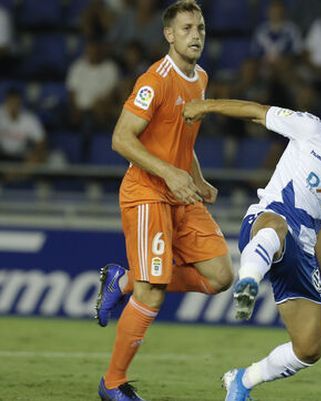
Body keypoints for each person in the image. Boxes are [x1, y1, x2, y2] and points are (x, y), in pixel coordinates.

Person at [181, 84, 321, 401]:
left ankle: (242, 380)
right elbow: (256, 112)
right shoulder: (311, 129)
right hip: (266, 220)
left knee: (310, 348)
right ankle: (248, 282)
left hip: (303, 251)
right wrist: (206, 106)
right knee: (276, 227)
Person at [95, 2, 234, 400]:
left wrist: (195, 176)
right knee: (151, 291)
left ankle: (122, 280)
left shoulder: (201, 78)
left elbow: (179, 139)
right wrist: (171, 174)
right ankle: (113, 384)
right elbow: (121, 139)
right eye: (187, 27)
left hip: (181, 192)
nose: (196, 34)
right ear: (169, 35)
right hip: (147, 193)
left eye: (202, 28)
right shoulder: (154, 80)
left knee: (220, 277)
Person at [0, 87, 46, 165]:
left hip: (21, 155)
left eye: (16, 102)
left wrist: (35, 154)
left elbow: (41, 140)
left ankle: (15, 176)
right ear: (6, 102)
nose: (13, 106)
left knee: (40, 157)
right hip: (2, 154)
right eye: (11, 102)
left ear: (20, 103)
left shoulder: (29, 118)